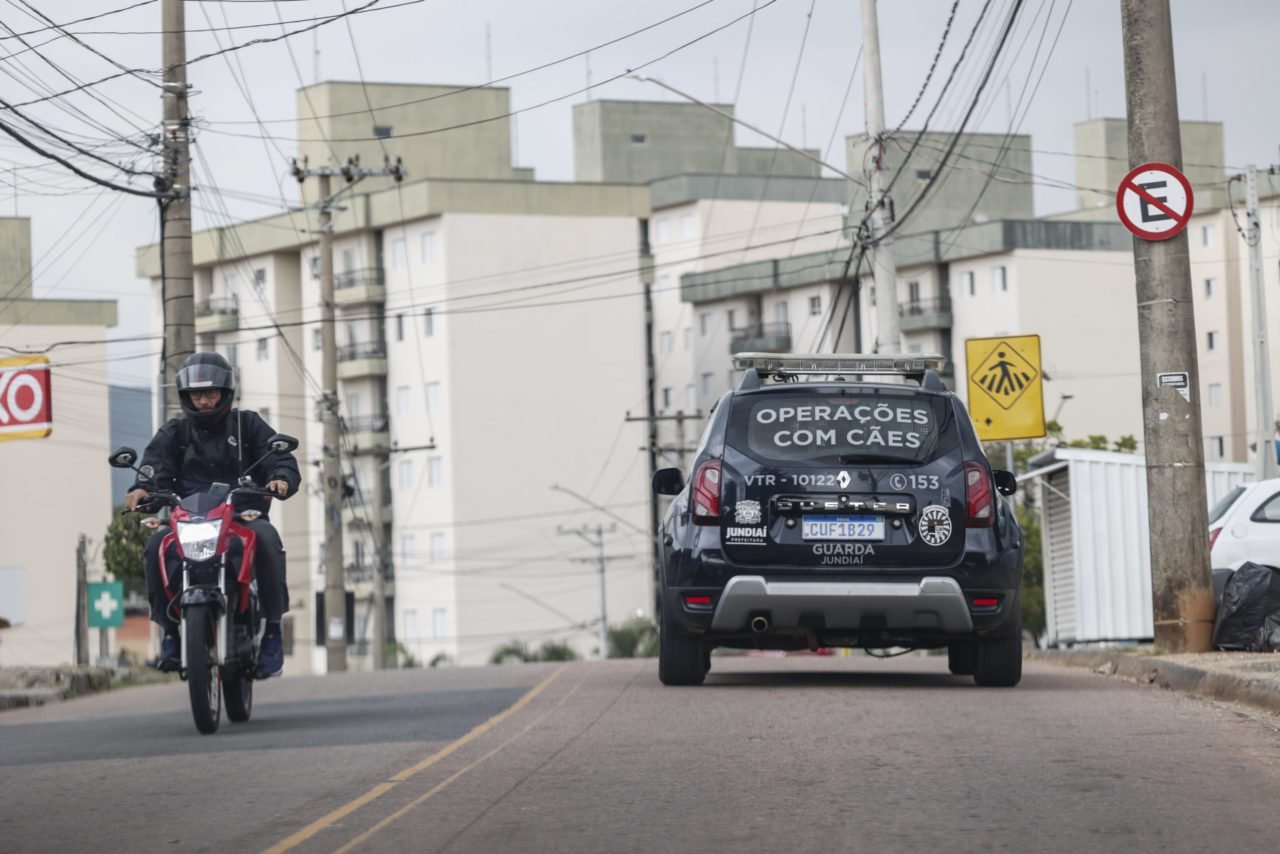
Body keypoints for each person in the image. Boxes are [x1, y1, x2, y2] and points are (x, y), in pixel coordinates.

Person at [124, 352, 300, 676]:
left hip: (240, 516)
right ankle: (171, 633)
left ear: (225, 393)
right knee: (155, 546)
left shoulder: (247, 425)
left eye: (210, 394)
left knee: (268, 538)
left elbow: (277, 456)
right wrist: (142, 489)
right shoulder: (175, 433)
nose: (204, 401)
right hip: (188, 520)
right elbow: (154, 467)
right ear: (186, 397)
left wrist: (281, 478)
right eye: (197, 395)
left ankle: (273, 629)